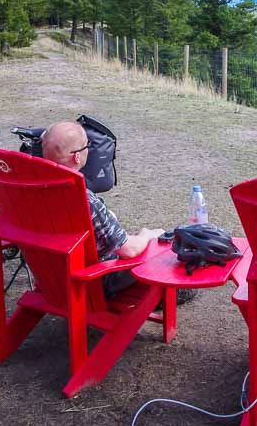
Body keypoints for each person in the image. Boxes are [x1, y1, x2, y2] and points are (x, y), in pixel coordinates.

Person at [41, 120, 164, 298]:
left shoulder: (32, 190)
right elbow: (129, 250)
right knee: (158, 246)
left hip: (52, 278)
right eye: (86, 146)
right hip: (93, 283)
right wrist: (147, 235)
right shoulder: (84, 200)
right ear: (77, 157)